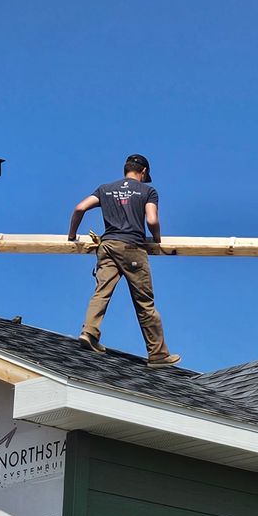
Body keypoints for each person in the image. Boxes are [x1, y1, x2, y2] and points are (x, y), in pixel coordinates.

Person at [67, 154, 180, 368]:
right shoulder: (148, 191)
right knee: (144, 302)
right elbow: (152, 219)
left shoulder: (105, 189)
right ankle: (157, 354)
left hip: (107, 246)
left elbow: (80, 208)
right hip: (131, 248)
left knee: (101, 292)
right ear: (144, 171)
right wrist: (157, 239)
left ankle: (89, 333)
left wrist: (72, 235)